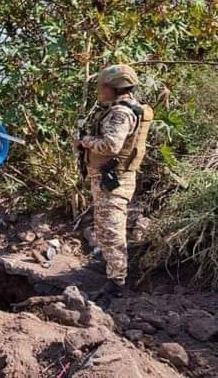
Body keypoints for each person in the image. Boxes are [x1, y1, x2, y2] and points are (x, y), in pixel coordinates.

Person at [77, 63, 153, 298]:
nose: (100, 90)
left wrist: (85, 141)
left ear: (115, 87)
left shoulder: (121, 113)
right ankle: (112, 268)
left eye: (104, 86)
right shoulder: (122, 108)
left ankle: (116, 284)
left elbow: (111, 146)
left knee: (111, 231)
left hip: (114, 180)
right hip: (110, 179)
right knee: (105, 228)